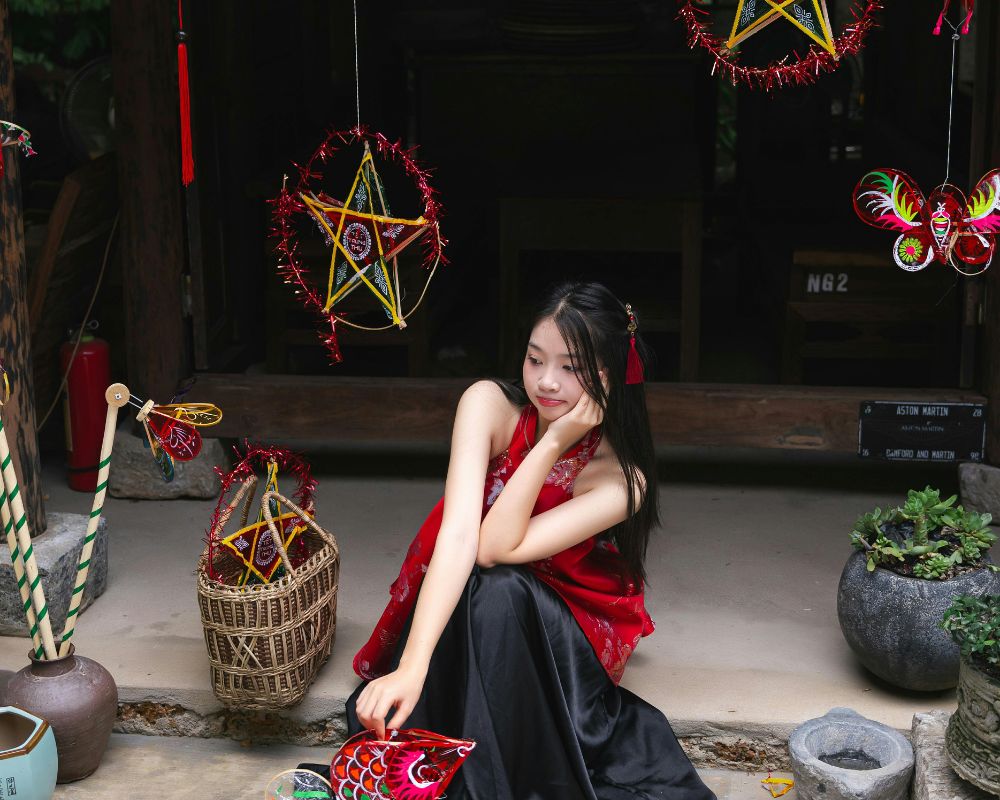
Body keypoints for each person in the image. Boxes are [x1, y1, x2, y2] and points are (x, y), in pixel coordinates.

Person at [347, 282, 716, 800]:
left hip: (556, 640)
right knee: (484, 586)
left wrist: (555, 441)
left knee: (499, 586)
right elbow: (457, 538)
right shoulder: (488, 404)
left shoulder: (621, 480)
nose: (546, 382)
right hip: (469, 599)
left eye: (571, 367)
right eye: (535, 359)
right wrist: (411, 666)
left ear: (610, 375)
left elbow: (494, 546)